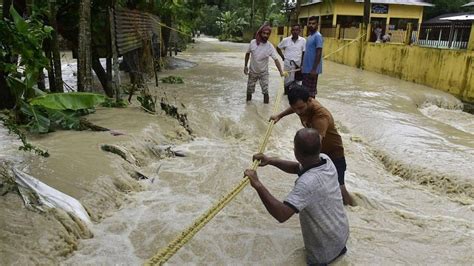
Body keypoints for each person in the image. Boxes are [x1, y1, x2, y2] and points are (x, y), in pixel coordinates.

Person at [244, 128, 349, 265]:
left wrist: (257, 184)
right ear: (319, 148)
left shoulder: (307, 183)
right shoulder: (326, 160)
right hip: (341, 235)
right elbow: (297, 168)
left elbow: (281, 214)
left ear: (295, 152)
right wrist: (270, 161)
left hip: (323, 252)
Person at [270, 86, 355, 206]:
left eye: (301, 108)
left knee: (339, 186)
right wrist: (280, 116)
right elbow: (295, 108)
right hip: (319, 151)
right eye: (296, 109)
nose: (299, 112)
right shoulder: (301, 106)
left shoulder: (320, 116)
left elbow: (315, 142)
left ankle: (353, 209)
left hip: (333, 152)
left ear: (309, 101)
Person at [244, 23, 285, 104]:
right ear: (260, 33)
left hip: (264, 73)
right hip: (252, 72)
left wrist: (280, 71)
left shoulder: (270, 46)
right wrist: (245, 66)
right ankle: (248, 106)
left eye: (268, 34)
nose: (266, 35)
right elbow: (247, 54)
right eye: (264, 33)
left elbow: (276, 60)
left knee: (265, 91)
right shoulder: (253, 43)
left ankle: (265, 107)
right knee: (249, 90)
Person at [276, 24, 306, 93]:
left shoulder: (303, 40)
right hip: (287, 65)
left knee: (298, 83)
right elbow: (278, 48)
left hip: (298, 66)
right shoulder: (285, 40)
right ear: (291, 31)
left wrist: (302, 64)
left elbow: (304, 52)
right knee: (287, 83)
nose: (295, 31)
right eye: (293, 30)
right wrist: (283, 57)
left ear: (299, 31)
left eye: (297, 30)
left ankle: (294, 99)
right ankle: (286, 96)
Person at [301, 16, 323, 98]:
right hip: (306, 70)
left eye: (313, 23)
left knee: (311, 94)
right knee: (304, 93)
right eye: (309, 23)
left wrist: (314, 69)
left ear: (317, 24)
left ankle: (312, 110)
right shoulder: (309, 37)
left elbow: (319, 52)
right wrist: (302, 66)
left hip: (312, 70)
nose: (311, 25)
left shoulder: (318, 36)